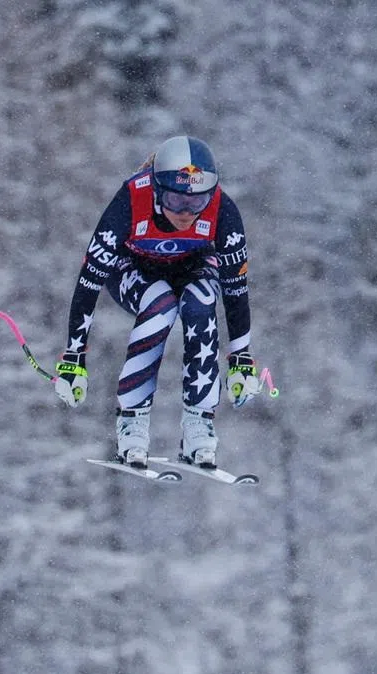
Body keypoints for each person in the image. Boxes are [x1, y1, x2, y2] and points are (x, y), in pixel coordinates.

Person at [54, 135, 262, 469]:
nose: (186, 212)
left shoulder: (223, 211)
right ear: (155, 189)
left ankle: (199, 422)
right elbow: (89, 281)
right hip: (132, 269)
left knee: (202, 300)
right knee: (160, 304)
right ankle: (132, 422)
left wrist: (241, 360)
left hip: (193, 267)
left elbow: (236, 289)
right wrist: (73, 358)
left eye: (197, 202)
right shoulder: (129, 202)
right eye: (175, 200)